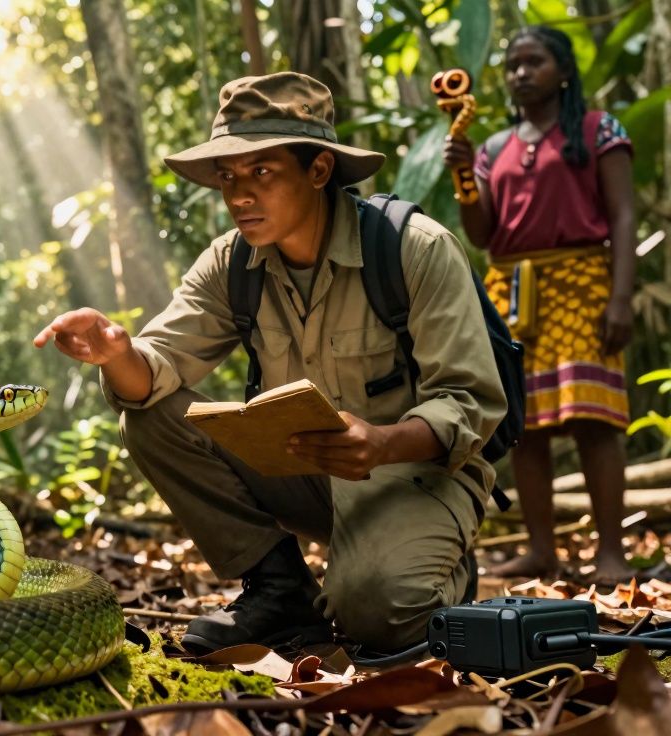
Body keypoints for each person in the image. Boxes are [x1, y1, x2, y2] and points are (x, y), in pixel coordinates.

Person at [35, 72, 506, 653]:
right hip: (307, 472)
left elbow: (470, 401)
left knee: (377, 619)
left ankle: (433, 566)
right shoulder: (231, 263)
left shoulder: (413, 249)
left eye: (261, 172)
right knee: (152, 415)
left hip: (418, 476)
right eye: (228, 177)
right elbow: (155, 369)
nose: (238, 195)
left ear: (318, 170)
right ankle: (280, 589)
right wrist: (118, 354)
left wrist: (383, 443)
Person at [444, 27, 635, 584]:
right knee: (527, 427)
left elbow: (623, 215)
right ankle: (543, 551)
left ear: (563, 71)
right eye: (512, 64)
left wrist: (620, 295)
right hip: (511, 290)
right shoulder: (492, 148)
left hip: (583, 284)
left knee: (594, 419)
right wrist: (462, 174)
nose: (521, 72)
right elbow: (481, 234)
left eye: (535, 61)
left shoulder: (599, 129)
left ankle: (611, 555)